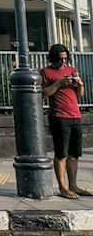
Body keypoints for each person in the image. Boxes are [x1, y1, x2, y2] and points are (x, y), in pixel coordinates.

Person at [41, 44, 91, 200]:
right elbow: (43, 94)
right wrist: (58, 83)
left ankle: (73, 185)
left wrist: (79, 82)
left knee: (74, 153)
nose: (63, 62)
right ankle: (62, 187)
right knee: (61, 153)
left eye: (65, 58)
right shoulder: (46, 72)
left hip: (75, 115)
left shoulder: (71, 70)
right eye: (60, 59)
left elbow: (80, 94)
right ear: (53, 58)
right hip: (59, 116)